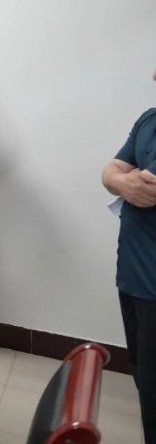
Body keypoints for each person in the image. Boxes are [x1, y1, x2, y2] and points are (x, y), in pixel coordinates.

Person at [101, 66, 156, 444]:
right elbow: (111, 171)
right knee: (144, 377)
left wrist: (131, 182)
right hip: (135, 274)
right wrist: (123, 182)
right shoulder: (149, 120)